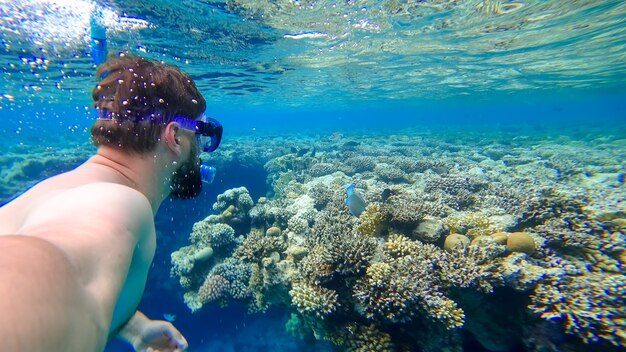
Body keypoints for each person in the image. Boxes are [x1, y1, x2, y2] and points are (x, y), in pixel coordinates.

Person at [0, 53, 222, 351]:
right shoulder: (119, 204)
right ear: (176, 137)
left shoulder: (58, 189)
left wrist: (129, 324)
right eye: (201, 136)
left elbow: (68, 277)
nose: (201, 150)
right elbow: (20, 290)